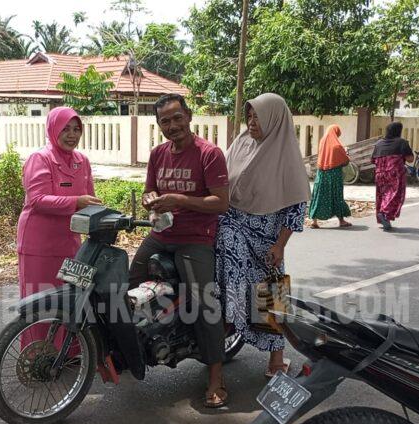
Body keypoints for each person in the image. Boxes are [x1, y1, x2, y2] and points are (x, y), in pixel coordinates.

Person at [130, 93, 230, 408]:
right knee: (129, 285)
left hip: (196, 238)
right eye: (165, 121)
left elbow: (221, 202)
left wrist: (181, 200)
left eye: (177, 118)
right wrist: (150, 201)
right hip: (161, 232)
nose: (172, 125)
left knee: (203, 302)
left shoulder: (209, 154)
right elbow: (149, 190)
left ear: (188, 116)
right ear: (159, 125)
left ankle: (215, 375)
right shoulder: (158, 154)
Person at [216, 93, 311, 379]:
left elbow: (296, 207)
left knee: (271, 294)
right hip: (232, 226)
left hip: (268, 241)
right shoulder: (241, 143)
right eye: (249, 115)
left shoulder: (285, 153)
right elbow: (221, 181)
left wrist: (280, 245)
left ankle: (275, 362)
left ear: (274, 119)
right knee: (227, 287)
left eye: (258, 116)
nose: (252, 121)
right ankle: (218, 346)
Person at [16, 107, 101, 344]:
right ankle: (37, 355)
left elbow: (89, 198)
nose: (72, 135)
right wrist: (77, 202)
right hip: (39, 245)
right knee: (41, 299)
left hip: (71, 241)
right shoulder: (40, 158)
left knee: (71, 298)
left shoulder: (81, 161)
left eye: (76, 129)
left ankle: (69, 354)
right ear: (53, 129)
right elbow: (38, 199)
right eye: (65, 129)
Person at [371, 122, 414, 231]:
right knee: (395, 195)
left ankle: (385, 219)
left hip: (379, 173)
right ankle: (385, 213)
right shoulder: (402, 142)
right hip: (394, 173)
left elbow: (373, 160)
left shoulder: (379, 143)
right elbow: (410, 159)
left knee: (382, 195)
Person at [309, 125, 352, 228]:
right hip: (334, 175)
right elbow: (345, 161)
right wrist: (346, 152)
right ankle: (341, 221)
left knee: (319, 196)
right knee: (336, 196)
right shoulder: (337, 146)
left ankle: (314, 222)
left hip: (321, 173)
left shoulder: (322, 142)